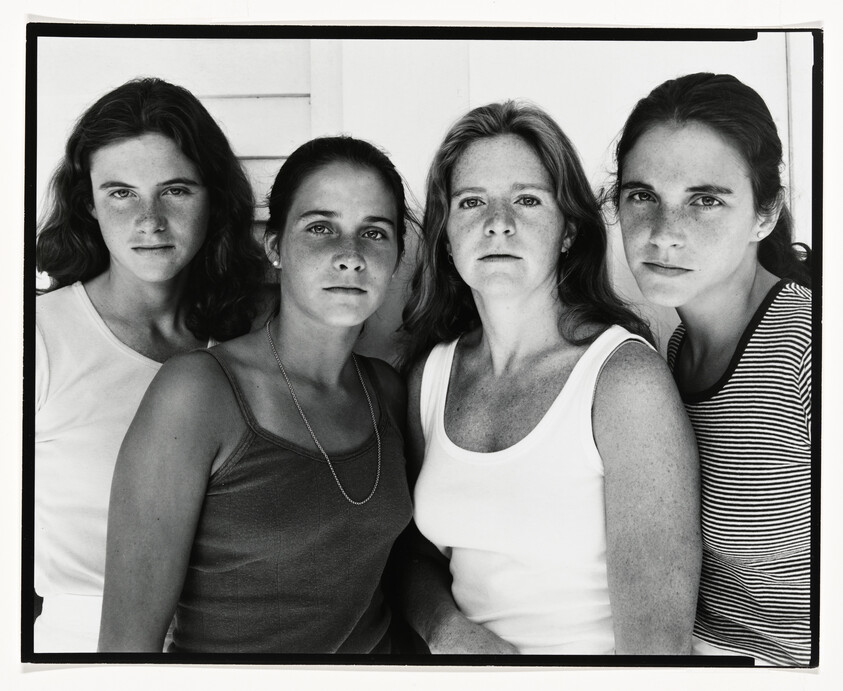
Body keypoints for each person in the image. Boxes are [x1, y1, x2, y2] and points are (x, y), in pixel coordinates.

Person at [399, 100, 701, 655]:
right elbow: (415, 556)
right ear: (445, 235)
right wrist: (447, 630)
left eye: (527, 200)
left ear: (567, 231)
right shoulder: (432, 376)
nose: (498, 222)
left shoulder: (622, 380)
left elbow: (657, 649)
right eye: (472, 202)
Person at [98, 136, 414, 654]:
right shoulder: (198, 392)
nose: (350, 256)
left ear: (398, 254)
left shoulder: (387, 389)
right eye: (320, 228)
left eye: (374, 233)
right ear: (274, 247)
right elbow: (124, 648)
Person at [34, 77, 264, 652]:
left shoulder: (253, 334)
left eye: (176, 190)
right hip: (83, 650)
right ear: (87, 200)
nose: (150, 219)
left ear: (214, 196)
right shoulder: (35, 336)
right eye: (121, 192)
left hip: (237, 648)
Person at [611, 72, 813, 666]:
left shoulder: (812, 347)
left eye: (706, 200)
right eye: (642, 195)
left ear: (765, 213)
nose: (665, 234)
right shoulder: (665, 355)